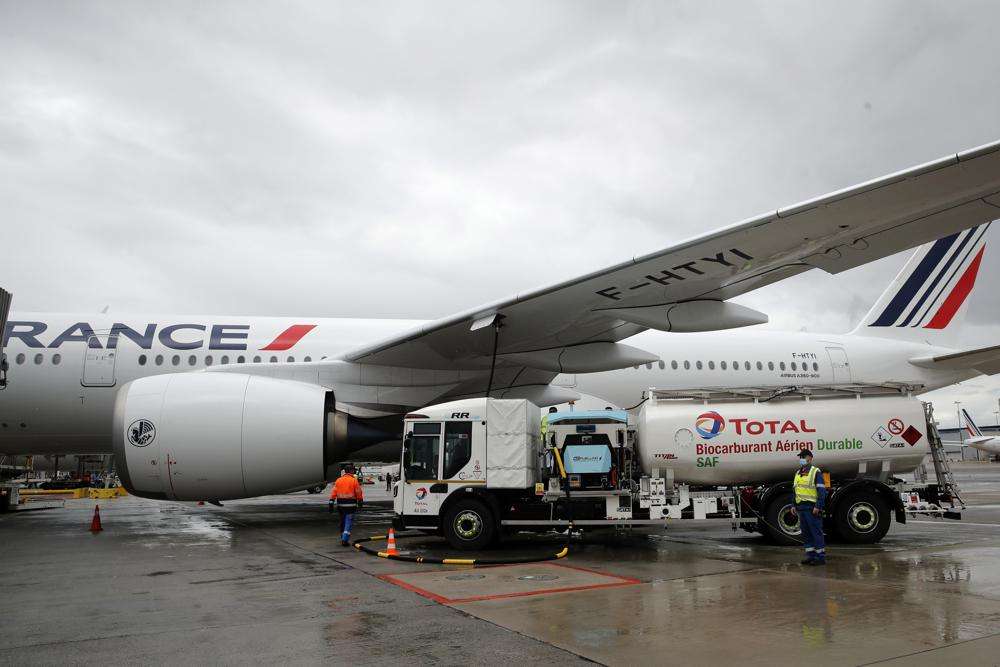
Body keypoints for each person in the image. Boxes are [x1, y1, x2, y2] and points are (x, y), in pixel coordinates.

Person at [790, 448, 827, 565]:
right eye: (800, 457)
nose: (801, 459)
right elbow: (795, 490)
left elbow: (821, 490)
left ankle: (820, 557)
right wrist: (793, 505)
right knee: (806, 533)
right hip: (801, 508)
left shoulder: (815, 472)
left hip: (812, 508)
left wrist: (818, 506)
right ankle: (810, 555)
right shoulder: (798, 473)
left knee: (816, 533)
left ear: (810, 458)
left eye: (804, 457)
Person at [331, 464, 364, 546]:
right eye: (353, 470)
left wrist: (331, 502)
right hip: (350, 505)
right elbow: (358, 492)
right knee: (348, 522)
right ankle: (344, 540)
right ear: (351, 471)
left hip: (340, 505)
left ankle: (342, 536)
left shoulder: (338, 480)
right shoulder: (353, 480)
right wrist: (360, 501)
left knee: (342, 521)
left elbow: (334, 492)